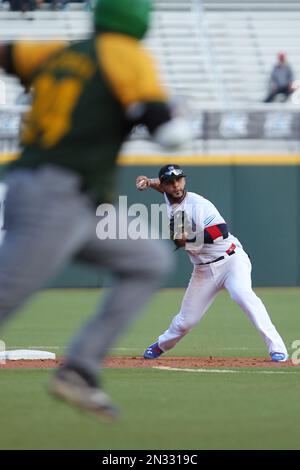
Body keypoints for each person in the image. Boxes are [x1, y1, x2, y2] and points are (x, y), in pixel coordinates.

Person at [0, 0, 193, 421]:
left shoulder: (58, 51)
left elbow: (9, 52)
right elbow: (172, 135)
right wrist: (179, 113)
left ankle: (80, 371)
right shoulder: (126, 54)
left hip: (70, 196)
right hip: (56, 193)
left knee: (147, 261)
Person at [136, 164, 288, 362]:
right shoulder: (169, 196)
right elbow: (162, 186)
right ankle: (160, 345)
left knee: (242, 294)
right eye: (170, 182)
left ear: (184, 180)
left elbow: (220, 231)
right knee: (186, 321)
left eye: (179, 180)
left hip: (231, 259)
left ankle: (277, 349)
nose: (176, 185)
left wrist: (189, 239)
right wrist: (148, 182)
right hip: (203, 270)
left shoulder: (198, 204)